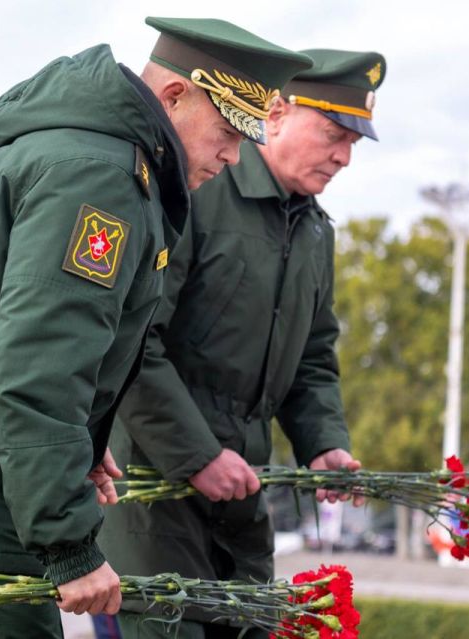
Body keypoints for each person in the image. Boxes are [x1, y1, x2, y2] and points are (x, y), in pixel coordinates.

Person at [0, 17, 312, 639]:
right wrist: (69, 544)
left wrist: (82, 440)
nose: (234, 156)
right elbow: (36, 371)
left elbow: (6, 337)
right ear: (177, 96)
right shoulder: (97, 176)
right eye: (229, 131)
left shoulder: (78, 149)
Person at [98, 49, 388, 639]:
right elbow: (132, 342)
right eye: (334, 133)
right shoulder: (199, 190)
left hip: (242, 495)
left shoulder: (313, 229)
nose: (344, 157)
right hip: (154, 495)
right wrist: (197, 455)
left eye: (354, 143)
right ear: (275, 113)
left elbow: (312, 360)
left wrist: (324, 444)